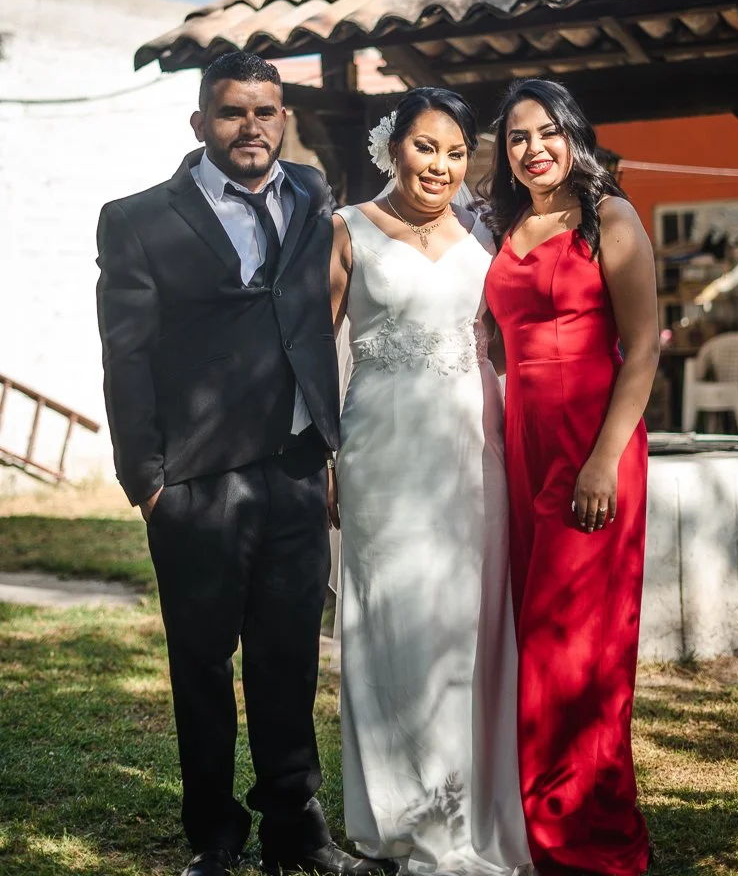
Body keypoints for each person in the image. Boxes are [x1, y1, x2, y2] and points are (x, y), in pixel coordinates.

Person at [96, 52, 386, 876]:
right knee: (200, 664)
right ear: (200, 123)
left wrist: (327, 444)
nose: (251, 126)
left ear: (283, 116)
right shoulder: (139, 219)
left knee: (289, 658)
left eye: (265, 111)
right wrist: (147, 484)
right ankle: (216, 838)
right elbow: (127, 359)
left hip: (295, 471)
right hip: (195, 485)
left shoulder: (312, 196)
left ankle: (296, 830)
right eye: (232, 112)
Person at [329, 88, 530, 876]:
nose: (440, 166)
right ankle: (398, 819)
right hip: (380, 451)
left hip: (471, 455)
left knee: (463, 628)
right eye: (425, 147)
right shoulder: (345, 229)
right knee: (390, 624)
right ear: (392, 146)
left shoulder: (485, 231)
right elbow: (315, 349)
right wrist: (323, 458)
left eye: (455, 152)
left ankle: (466, 808)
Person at [481, 79, 659, 876]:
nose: (533, 148)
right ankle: (534, 817)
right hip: (524, 445)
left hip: (594, 444)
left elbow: (646, 344)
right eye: (518, 137)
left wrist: (601, 460)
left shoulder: (609, 217)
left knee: (578, 645)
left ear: (574, 134)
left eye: (547, 132)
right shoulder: (507, 225)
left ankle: (586, 835)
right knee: (534, 634)